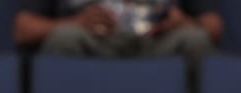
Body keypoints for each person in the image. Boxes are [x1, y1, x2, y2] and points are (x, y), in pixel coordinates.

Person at [16, 1, 222, 66]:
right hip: (91, 45)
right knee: (64, 37)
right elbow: (22, 29)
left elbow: (215, 26)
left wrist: (183, 22)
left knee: (195, 39)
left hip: (157, 46)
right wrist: (76, 22)